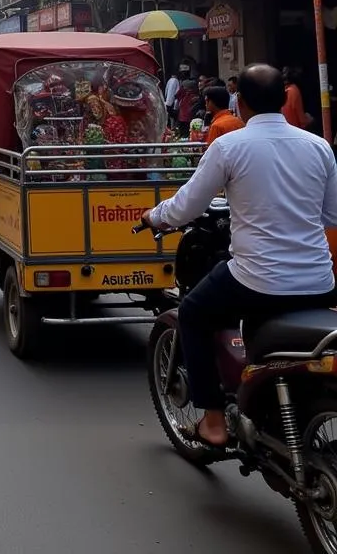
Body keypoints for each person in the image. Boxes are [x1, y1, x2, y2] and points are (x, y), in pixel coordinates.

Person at [141, 64, 337, 447]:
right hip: (319, 281)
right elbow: (330, 214)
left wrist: (155, 217)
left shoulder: (229, 147)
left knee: (194, 313)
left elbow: (186, 206)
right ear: (284, 100)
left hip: (257, 281)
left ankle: (213, 421)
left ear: (240, 102)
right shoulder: (318, 146)